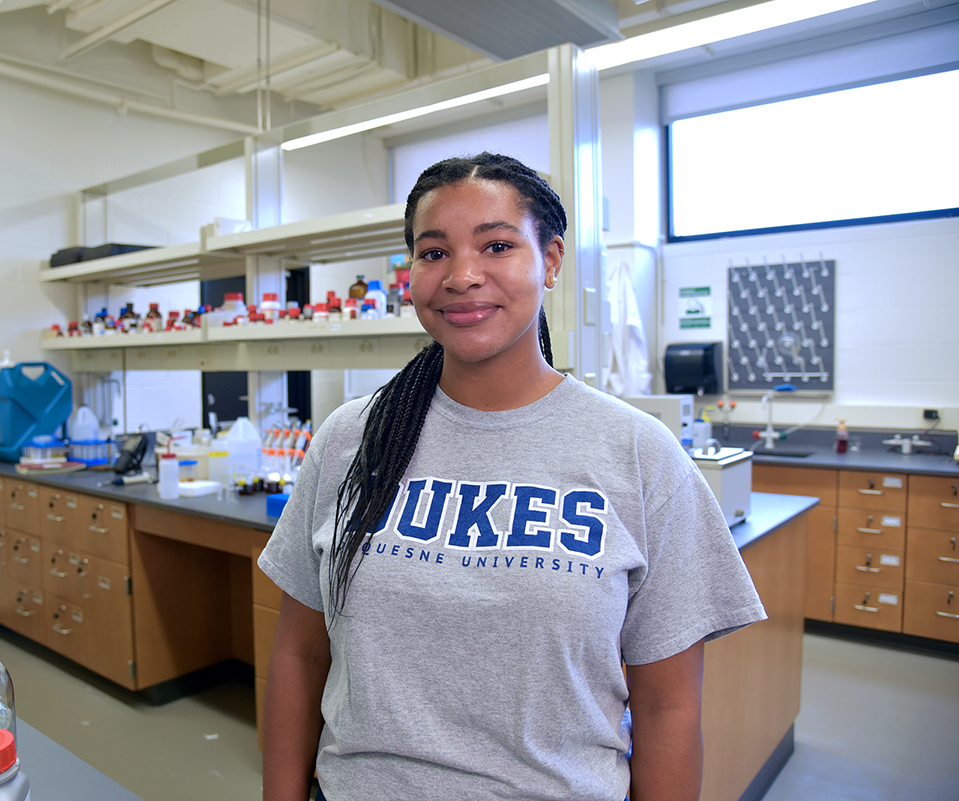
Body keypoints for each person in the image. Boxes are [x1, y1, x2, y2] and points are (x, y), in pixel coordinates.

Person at [257, 152, 765, 801]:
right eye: (433, 252)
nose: (463, 276)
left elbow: (669, 708)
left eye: (496, 245)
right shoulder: (351, 442)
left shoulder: (640, 455)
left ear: (551, 259)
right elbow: (299, 657)